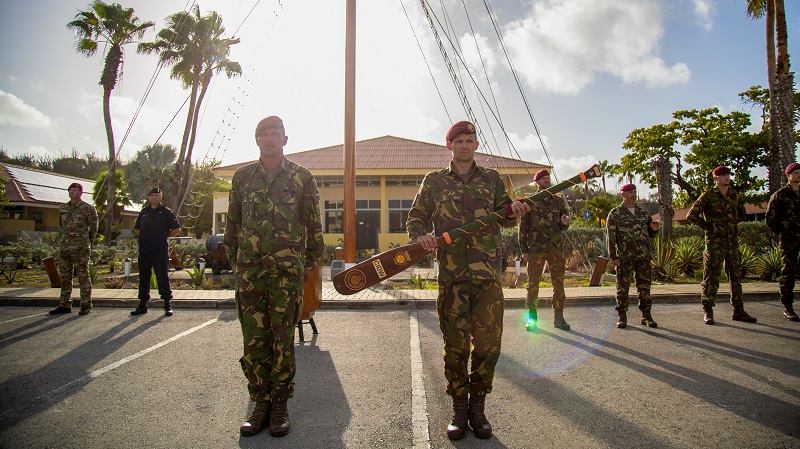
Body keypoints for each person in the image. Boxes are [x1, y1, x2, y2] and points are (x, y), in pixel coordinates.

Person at [407, 120, 530, 441]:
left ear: (476, 145)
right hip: (451, 278)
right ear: (449, 146)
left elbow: (505, 218)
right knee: (455, 347)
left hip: (488, 278)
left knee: (489, 346)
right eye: (458, 140)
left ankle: (479, 407)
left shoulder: (492, 179)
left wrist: (514, 212)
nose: (464, 145)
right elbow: (416, 216)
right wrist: (420, 237)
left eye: (469, 140)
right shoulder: (434, 181)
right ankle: (459, 408)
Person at [224, 116, 324, 438]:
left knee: (283, 340)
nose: (269, 138)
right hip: (251, 275)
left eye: (274, 133)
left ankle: (280, 404)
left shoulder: (301, 178)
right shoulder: (241, 178)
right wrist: (239, 266)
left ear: (285, 139)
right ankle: (259, 403)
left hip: (285, 275)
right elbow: (232, 227)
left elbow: (313, 225)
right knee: (254, 340)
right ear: (257, 141)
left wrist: (306, 264)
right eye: (263, 134)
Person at [686, 166, 757, 324]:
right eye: (723, 175)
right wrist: (709, 227)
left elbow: (742, 214)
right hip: (715, 243)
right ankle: (708, 310)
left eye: (728, 174)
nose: (726, 177)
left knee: (736, 278)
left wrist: (730, 226)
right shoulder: (708, 196)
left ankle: (738, 310)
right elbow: (691, 215)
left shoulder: (734, 195)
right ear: (715, 178)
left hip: (732, 242)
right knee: (711, 276)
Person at [519, 169, 571, 331]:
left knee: (558, 282)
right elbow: (523, 228)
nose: (547, 180)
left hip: (555, 248)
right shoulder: (530, 202)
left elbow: (564, 224)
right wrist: (524, 250)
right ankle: (532, 319)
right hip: (536, 248)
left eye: (548, 178)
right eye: (543, 179)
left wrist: (565, 223)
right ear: (537, 182)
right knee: (533, 284)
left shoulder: (558, 201)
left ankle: (559, 318)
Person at [606, 184, 659, 328]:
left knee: (645, 287)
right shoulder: (615, 213)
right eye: (630, 192)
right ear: (623, 195)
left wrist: (654, 230)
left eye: (634, 192)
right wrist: (613, 256)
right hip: (625, 257)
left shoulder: (643, 212)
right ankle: (622, 315)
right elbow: (611, 236)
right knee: (622, 288)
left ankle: (646, 315)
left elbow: (650, 232)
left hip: (643, 256)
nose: (633, 195)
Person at [49, 182, 98, 316]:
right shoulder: (63, 208)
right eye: (70, 190)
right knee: (65, 276)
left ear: (81, 193)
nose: (72, 192)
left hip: (81, 247)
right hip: (65, 246)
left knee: (82, 275)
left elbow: (94, 227)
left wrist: (87, 240)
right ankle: (65, 304)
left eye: (75, 190)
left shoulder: (88, 208)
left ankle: (85, 304)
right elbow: (61, 225)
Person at [131, 187, 181, 316]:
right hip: (145, 249)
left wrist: (163, 235)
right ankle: (142, 304)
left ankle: (167, 304)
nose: (154, 197)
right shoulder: (144, 212)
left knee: (162, 276)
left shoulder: (166, 212)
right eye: (152, 195)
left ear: (161, 197)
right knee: (144, 277)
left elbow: (176, 229)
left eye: (157, 195)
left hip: (159, 249)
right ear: (149, 197)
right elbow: (137, 229)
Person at [765, 162, 800, 321]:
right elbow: (770, 218)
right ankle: (787, 305)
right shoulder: (780, 195)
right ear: (789, 175)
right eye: (796, 173)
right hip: (789, 239)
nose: (799, 175)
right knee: (789, 272)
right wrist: (784, 231)